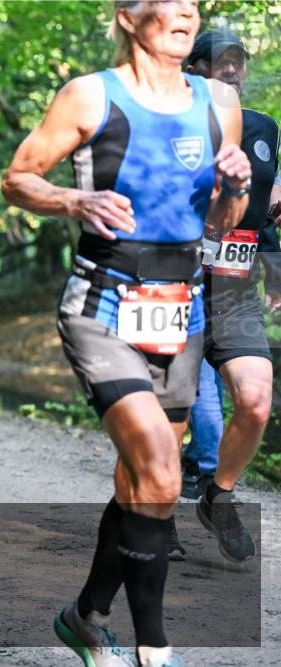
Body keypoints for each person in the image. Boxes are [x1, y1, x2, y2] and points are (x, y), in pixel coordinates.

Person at [2, 2, 251, 665]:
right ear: (126, 16)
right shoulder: (89, 95)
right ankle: (154, 648)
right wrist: (73, 200)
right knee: (164, 473)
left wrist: (234, 189)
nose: (182, 16)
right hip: (103, 302)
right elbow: (18, 177)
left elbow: (224, 223)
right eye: (165, 4)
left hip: (181, 305)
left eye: (192, 6)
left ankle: (85, 615)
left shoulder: (218, 100)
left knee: (142, 480)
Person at [171, 29, 280, 562]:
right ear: (194, 70)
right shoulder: (166, 124)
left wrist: (276, 265)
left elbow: (264, 212)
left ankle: (217, 497)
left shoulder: (264, 129)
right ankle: (153, 513)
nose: (233, 71)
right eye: (222, 62)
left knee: (256, 401)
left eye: (239, 62)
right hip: (171, 285)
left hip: (234, 293)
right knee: (171, 414)